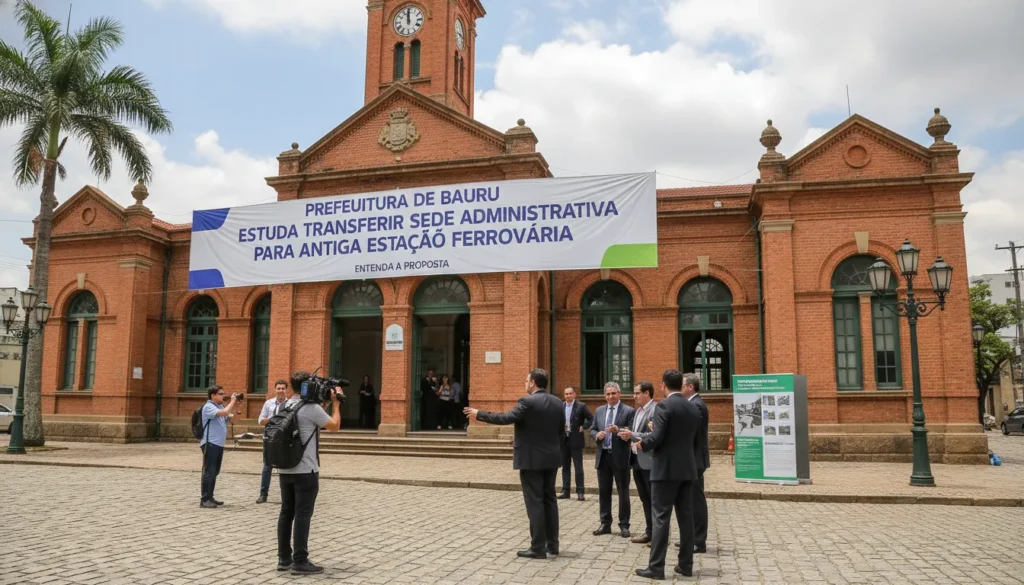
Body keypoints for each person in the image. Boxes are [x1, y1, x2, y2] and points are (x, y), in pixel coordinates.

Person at [465, 368, 563, 559]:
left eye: (527, 381)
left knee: (535, 502)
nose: (525, 384)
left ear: (533, 382)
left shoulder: (527, 402)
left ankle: (537, 547)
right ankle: (553, 544)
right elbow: (560, 430)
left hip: (531, 460)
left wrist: (480, 414)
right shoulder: (558, 402)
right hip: (552, 458)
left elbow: (506, 418)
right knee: (550, 500)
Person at [635, 370, 701, 580]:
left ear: (663, 385)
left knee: (661, 517)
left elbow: (657, 437)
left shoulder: (664, 406)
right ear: (681, 384)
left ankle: (656, 567)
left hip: (665, 470)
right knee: (686, 517)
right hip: (687, 469)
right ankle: (686, 565)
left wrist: (642, 444)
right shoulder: (692, 406)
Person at [276, 371, 344, 575]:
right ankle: (300, 560)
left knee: (286, 512)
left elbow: (310, 421)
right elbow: (334, 426)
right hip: (305, 470)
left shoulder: (284, 405)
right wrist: (337, 404)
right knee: (303, 514)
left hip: (285, 468)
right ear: (308, 386)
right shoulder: (311, 408)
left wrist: (324, 404)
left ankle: (283, 558)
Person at [590, 381, 635, 538]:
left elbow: (632, 432)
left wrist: (619, 431)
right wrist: (597, 435)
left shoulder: (629, 411)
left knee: (623, 492)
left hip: (620, 457)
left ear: (619, 394)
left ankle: (624, 525)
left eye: (613, 393)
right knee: (604, 491)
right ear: (605, 395)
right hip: (603, 456)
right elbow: (593, 428)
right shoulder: (599, 411)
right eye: (608, 394)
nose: (610, 396)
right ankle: (605, 523)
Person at [619, 381, 656, 544]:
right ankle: (650, 531)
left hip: (650, 461)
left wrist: (632, 435)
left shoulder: (655, 410)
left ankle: (659, 534)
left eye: (637, 393)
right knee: (644, 498)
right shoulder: (638, 411)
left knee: (654, 499)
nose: (634, 397)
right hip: (636, 460)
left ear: (646, 393)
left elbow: (655, 435)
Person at [199, 384, 240, 508]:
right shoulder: (208, 407)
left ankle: (210, 496)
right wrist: (232, 401)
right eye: (221, 394)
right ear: (213, 395)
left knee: (214, 471)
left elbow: (232, 419)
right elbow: (224, 413)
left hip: (218, 444)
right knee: (209, 471)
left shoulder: (219, 406)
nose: (223, 396)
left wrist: (236, 407)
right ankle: (205, 499)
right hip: (210, 443)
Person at [684, 373, 710, 554]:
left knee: (697, 501)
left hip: (695, 459)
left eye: (683, 385)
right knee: (690, 500)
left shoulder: (697, 405)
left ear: (691, 387)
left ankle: (699, 541)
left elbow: (692, 433)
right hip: (691, 459)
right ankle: (692, 537)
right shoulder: (693, 403)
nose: (680, 388)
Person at [257, 379, 291, 503]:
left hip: (285, 440)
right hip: (270, 439)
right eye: (279, 388)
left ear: (287, 390)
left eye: (283, 388)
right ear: (275, 389)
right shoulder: (268, 404)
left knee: (286, 467)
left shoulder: (291, 405)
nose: (281, 391)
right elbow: (260, 421)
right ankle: (263, 494)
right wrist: (273, 419)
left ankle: (286, 496)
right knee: (267, 466)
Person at [559, 385, 593, 501]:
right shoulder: (561, 406)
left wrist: (584, 426)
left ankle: (580, 491)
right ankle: (565, 491)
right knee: (565, 467)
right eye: (566, 394)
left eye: (570, 394)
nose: (568, 396)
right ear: (564, 395)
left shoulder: (581, 406)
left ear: (574, 394)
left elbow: (591, 418)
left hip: (576, 440)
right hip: (564, 440)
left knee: (578, 467)